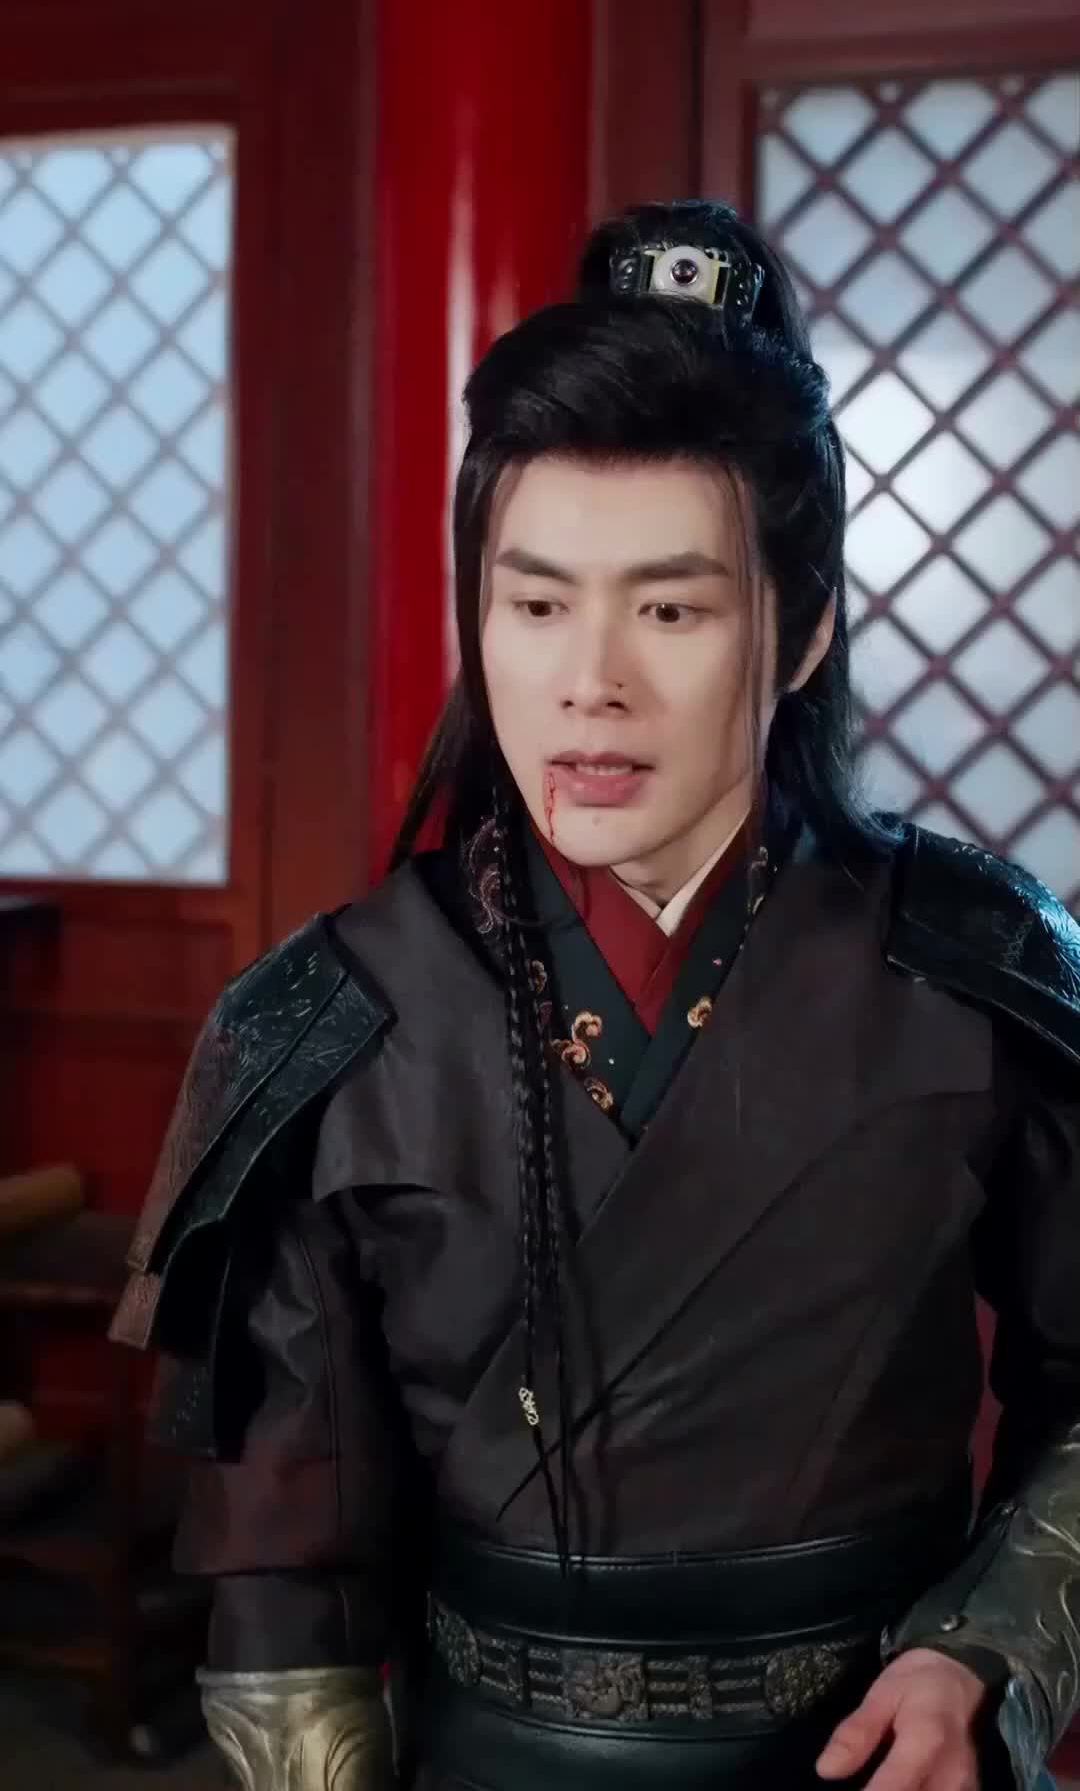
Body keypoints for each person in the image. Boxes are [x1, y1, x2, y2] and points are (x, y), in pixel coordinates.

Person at [111, 201, 1080, 1791]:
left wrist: (985, 1648)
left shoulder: (975, 964)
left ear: (803, 629)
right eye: (538, 602)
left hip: (879, 1752)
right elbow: (283, 1578)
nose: (591, 682)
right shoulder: (327, 1020)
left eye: (673, 609)